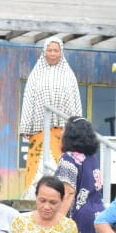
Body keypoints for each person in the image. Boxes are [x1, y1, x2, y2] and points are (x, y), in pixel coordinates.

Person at [18, 36, 83, 190]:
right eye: (50, 50)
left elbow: (75, 100)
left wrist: (77, 127)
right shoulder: (36, 74)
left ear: (61, 53)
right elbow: (28, 99)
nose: (53, 53)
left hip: (62, 131)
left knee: (61, 167)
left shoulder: (68, 75)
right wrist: (25, 126)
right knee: (38, 168)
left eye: (56, 50)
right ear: (44, 52)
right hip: (39, 129)